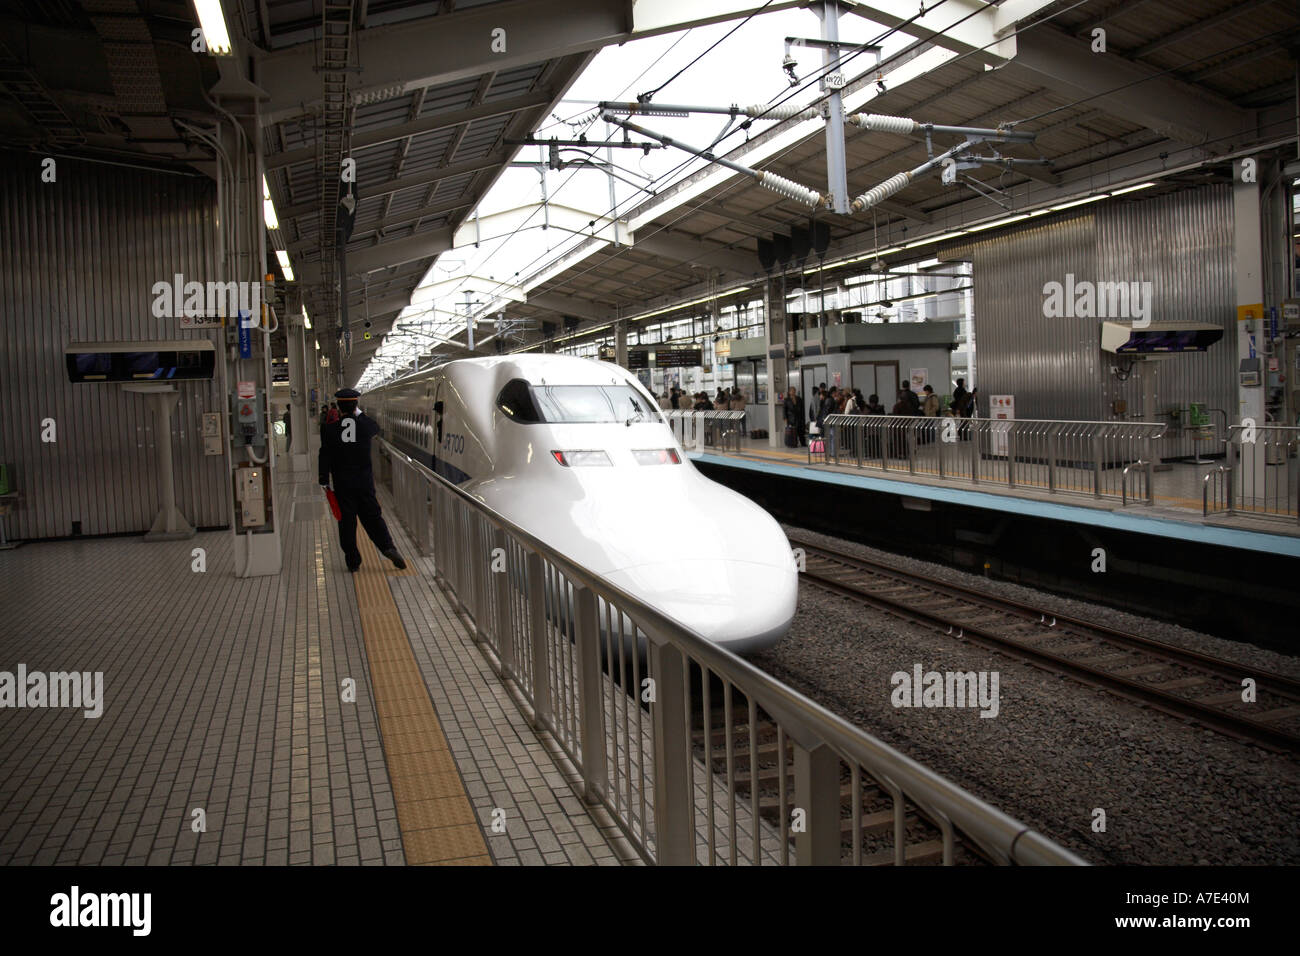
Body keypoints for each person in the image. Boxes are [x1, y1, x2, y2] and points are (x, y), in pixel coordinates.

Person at [319, 388, 406, 574]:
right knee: (373, 517)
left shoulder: (329, 429)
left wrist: (323, 478)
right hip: (364, 483)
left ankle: (353, 561)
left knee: (347, 523)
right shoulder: (365, 426)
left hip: (343, 485)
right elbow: (375, 427)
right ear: (356, 405)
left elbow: (324, 454)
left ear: (339, 406)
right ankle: (388, 548)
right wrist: (357, 413)